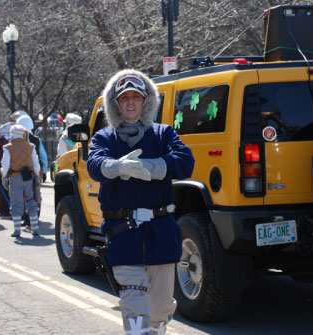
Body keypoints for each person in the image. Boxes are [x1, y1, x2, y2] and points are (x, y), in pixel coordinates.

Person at [87, 69, 194, 334]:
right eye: (125, 98)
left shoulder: (164, 134)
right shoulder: (104, 137)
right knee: (134, 304)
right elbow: (94, 164)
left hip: (160, 231)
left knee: (159, 308)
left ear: (146, 102)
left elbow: (185, 162)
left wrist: (152, 166)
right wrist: (117, 167)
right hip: (123, 232)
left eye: (136, 97)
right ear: (116, 104)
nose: (131, 102)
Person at [1, 124, 40, 237]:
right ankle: (35, 228)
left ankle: (17, 229)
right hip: (28, 177)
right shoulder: (30, 146)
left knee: (16, 203)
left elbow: (5, 164)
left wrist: (4, 176)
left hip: (14, 177)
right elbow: (35, 163)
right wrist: (37, 176)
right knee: (31, 201)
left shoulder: (8, 147)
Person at [0, 121, 13, 216]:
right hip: (0, 172)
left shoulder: (2, 145)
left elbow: (0, 160)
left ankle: (4, 209)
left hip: (0, 172)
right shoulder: (2, 144)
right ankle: (2, 208)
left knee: (2, 191)